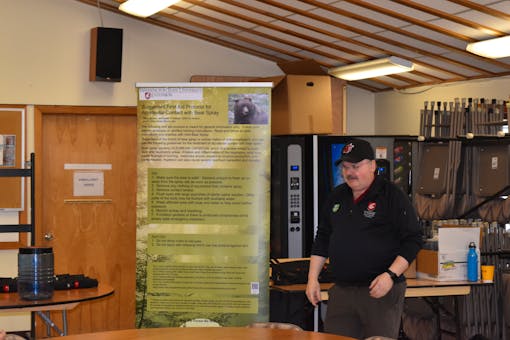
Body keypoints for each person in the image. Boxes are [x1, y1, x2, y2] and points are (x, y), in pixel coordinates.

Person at [305, 138, 422, 339]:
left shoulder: (391, 195)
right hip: (342, 291)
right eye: (345, 166)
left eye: (356, 166)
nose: (350, 172)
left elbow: (413, 239)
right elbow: (322, 237)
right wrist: (312, 278)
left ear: (373, 165)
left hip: (379, 291)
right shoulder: (337, 196)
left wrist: (390, 276)